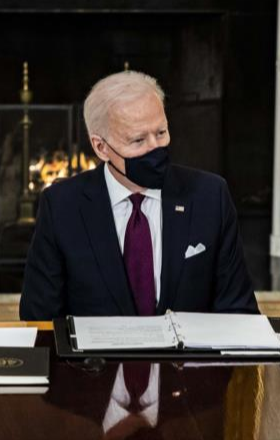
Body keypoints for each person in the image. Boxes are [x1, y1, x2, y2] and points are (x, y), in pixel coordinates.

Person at [19, 71, 259, 320]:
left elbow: (239, 311)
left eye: (161, 132)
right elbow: (39, 320)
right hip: (97, 359)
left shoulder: (210, 196)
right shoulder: (61, 206)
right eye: (138, 140)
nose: (155, 147)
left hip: (186, 358)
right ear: (101, 147)